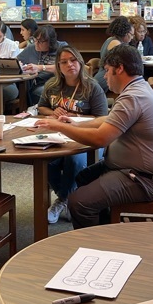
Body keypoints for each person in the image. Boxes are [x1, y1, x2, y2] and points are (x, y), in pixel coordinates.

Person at [34, 44, 153, 229]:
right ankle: (106, 225)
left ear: (119, 68)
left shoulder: (132, 97)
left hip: (141, 179)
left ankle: (96, 244)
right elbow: (108, 119)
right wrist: (76, 123)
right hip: (133, 170)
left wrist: (57, 125)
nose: (105, 76)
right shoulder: (138, 88)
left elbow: (100, 139)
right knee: (82, 178)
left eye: (107, 71)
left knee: (79, 202)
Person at [37, 46, 108, 223]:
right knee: (46, 159)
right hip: (59, 135)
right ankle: (67, 197)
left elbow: (102, 118)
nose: (69, 64)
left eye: (73, 60)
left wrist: (77, 117)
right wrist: (52, 113)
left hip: (87, 137)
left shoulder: (92, 87)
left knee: (74, 160)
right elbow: (41, 107)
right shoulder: (52, 86)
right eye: (64, 62)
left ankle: (62, 199)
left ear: (80, 62)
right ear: (58, 66)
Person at [18, 25, 63, 104]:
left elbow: (63, 67)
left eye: (40, 41)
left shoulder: (62, 48)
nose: (36, 43)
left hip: (56, 83)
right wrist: (20, 65)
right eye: (35, 40)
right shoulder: (31, 48)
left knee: (40, 92)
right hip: (35, 83)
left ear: (50, 42)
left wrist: (40, 67)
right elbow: (16, 61)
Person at [94, 17, 134, 91]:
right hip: (106, 78)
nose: (132, 38)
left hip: (102, 76)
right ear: (125, 33)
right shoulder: (116, 44)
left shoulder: (110, 39)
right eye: (131, 34)